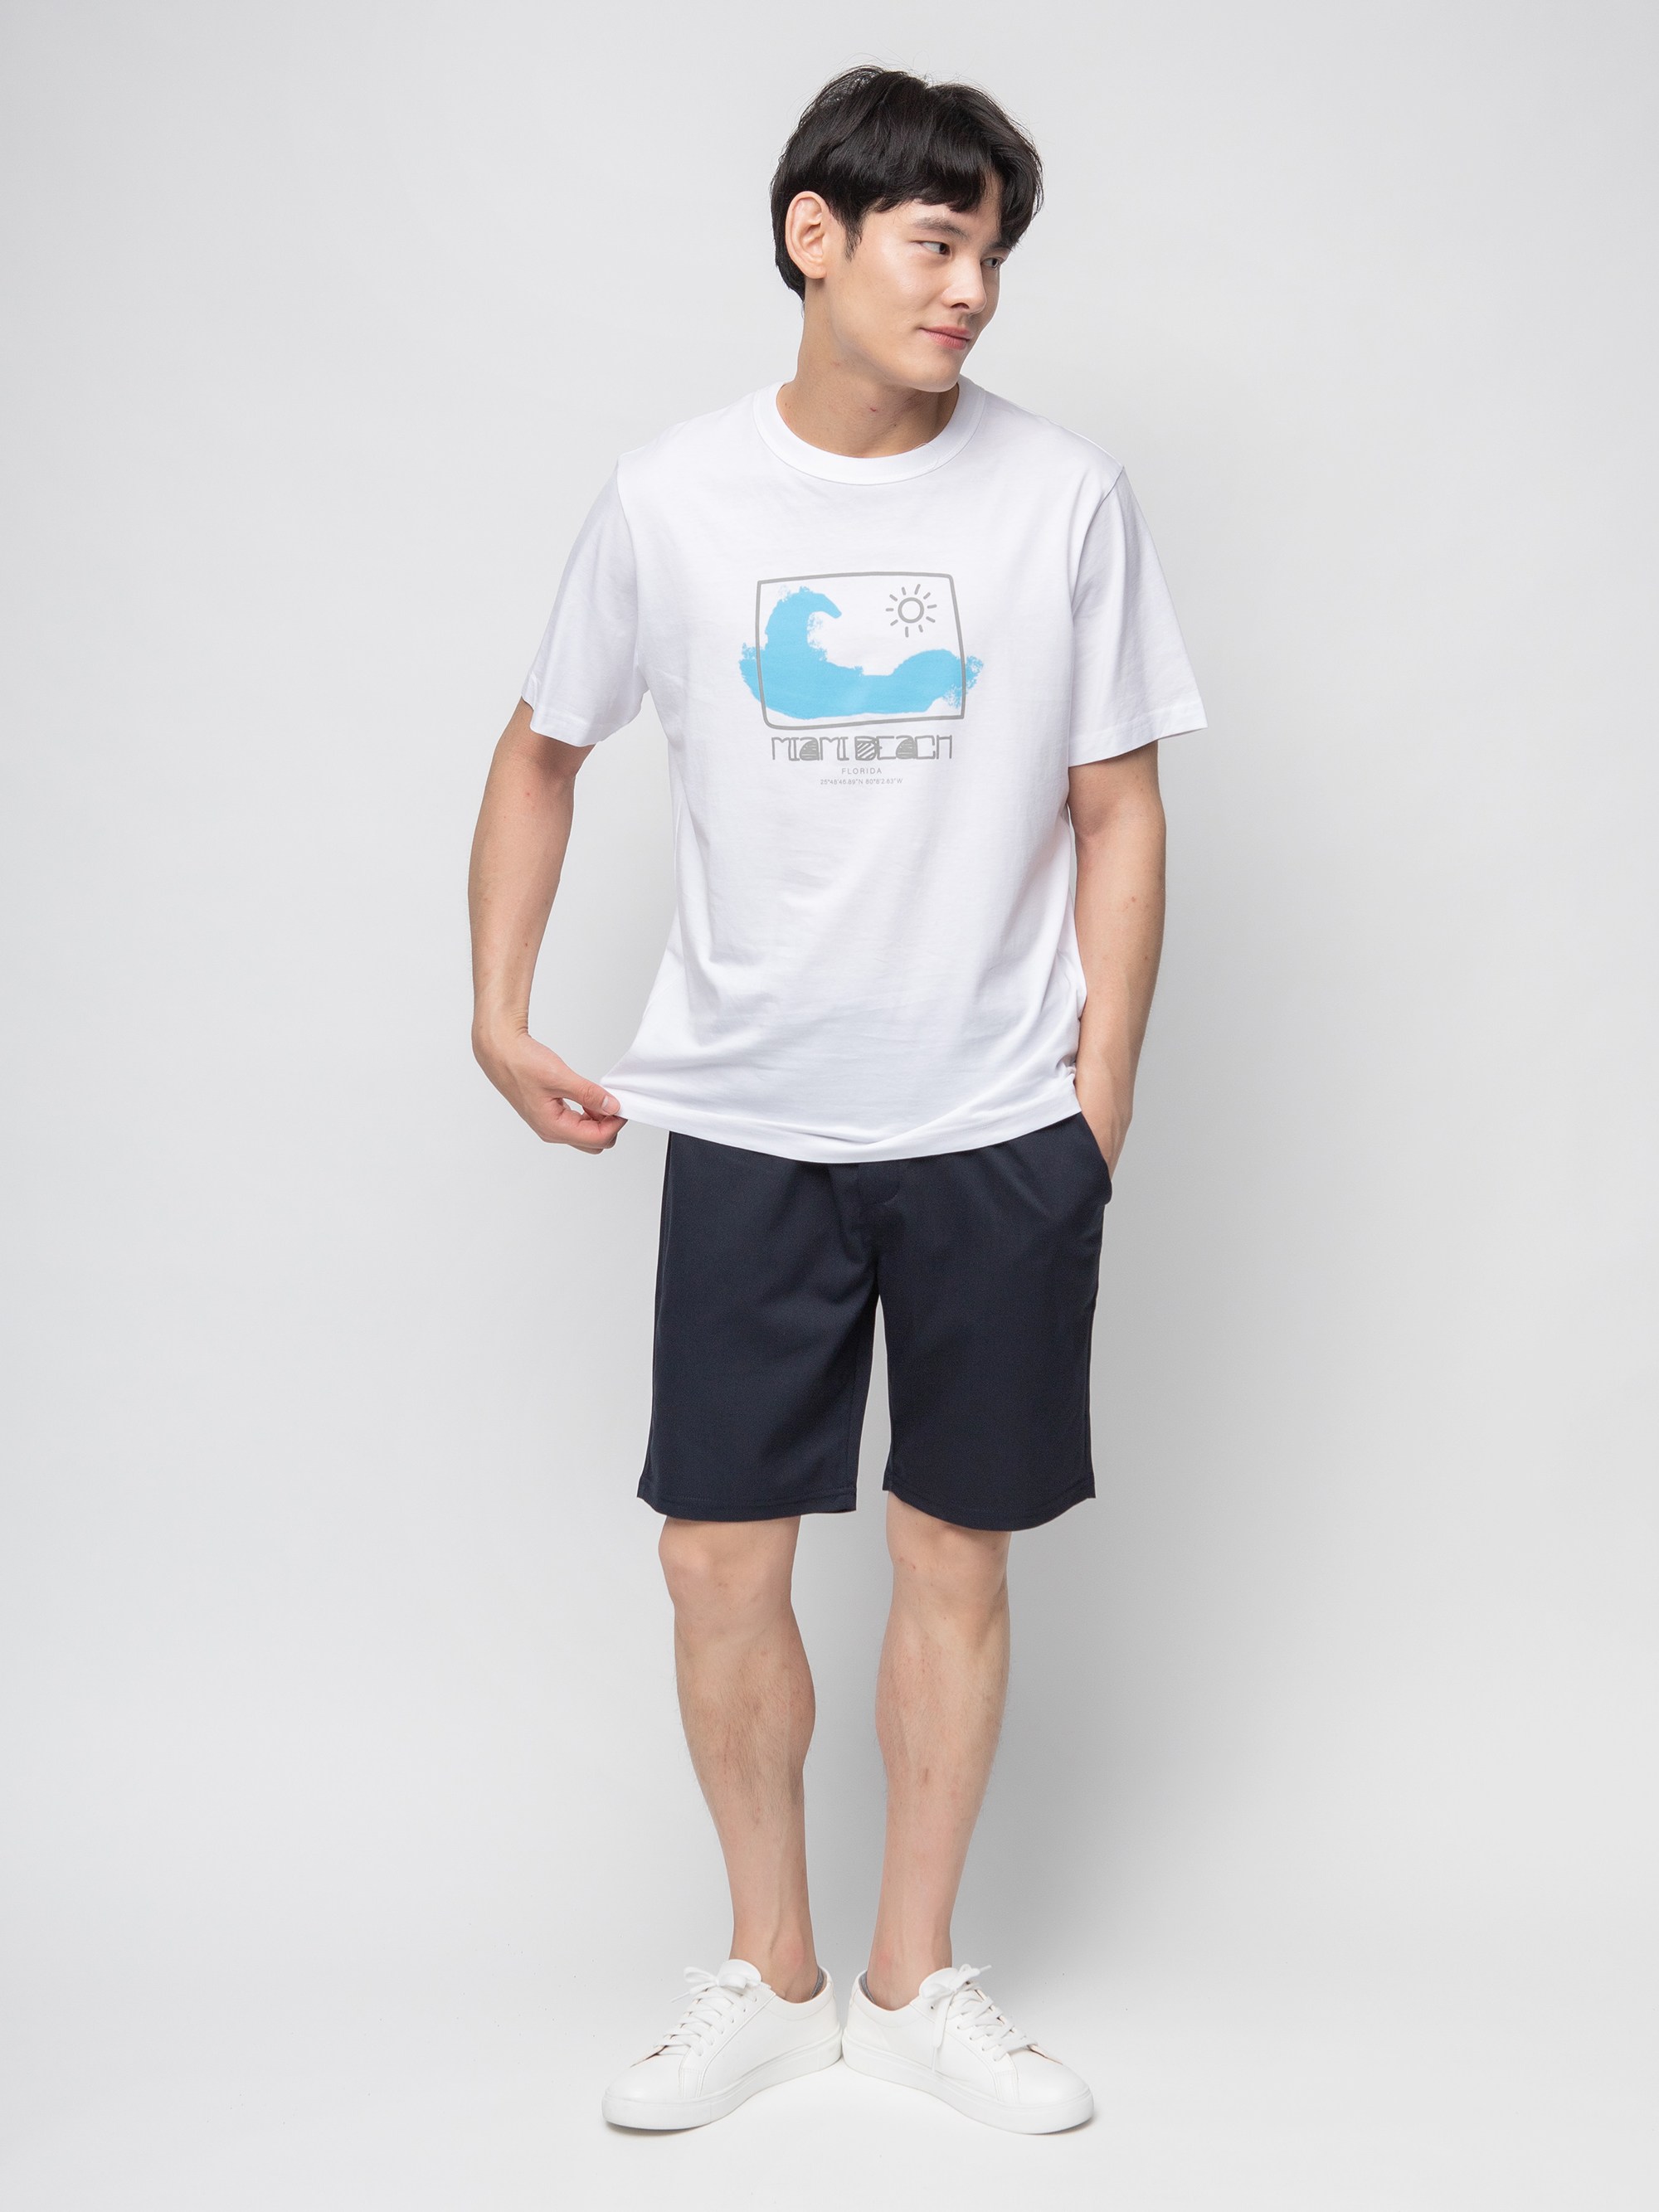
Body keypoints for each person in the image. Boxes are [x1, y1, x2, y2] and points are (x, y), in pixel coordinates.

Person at [467, 65, 1206, 2136]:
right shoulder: (674, 496)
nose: (971, 290)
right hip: (751, 1118)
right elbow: (540, 749)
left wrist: (1096, 1100)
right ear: (817, 235)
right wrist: (498, 1009)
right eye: (935, 242)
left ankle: (912, 1979)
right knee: (720, 1560)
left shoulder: (1060, 496)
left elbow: (1119, 806)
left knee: (955, 1558)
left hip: (995, 1124)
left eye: (993, 254)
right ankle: (771, 1972)